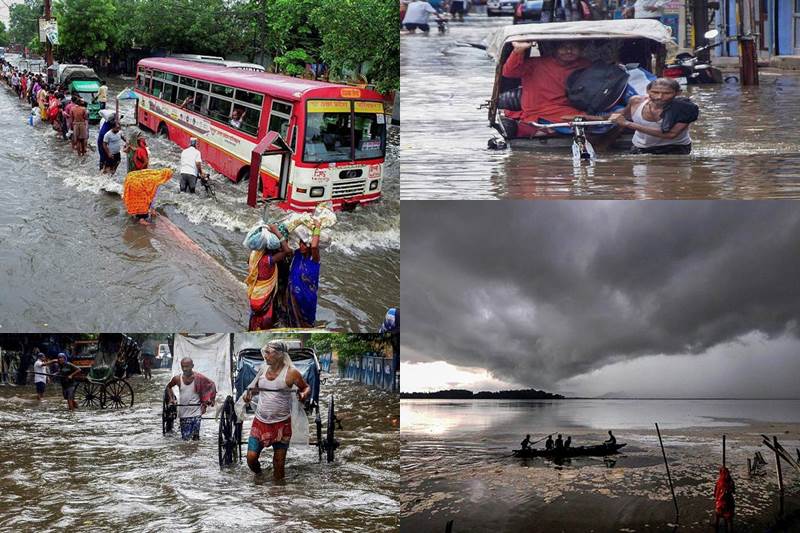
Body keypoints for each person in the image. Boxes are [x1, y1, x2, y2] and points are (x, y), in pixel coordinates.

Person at [243, 341, 311, 480]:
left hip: (282, 424)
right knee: (251, 458)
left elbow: (306, 387)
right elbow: (255, 389)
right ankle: (260, 476)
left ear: (280, 355)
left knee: (279, 465)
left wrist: (303, 395)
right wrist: (249, 394)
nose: (265, 356)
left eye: (268, 353)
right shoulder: (262, 370)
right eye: (265, 352)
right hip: (260, 422)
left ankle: (279, 495)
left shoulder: (291, 373)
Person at [501, 40, 592, 135]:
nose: (569, 51)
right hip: (540, 112)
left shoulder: (585, 65)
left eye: (574, 47)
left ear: (581, 49)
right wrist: (518, 50)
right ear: (555, 49)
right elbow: (508, 72)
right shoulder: (536, 63)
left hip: (572, 109)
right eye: (563, 47)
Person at [609, 78, 695, 155]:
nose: (659, 97)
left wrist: (628, 124)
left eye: (667, 93)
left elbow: (671, 134)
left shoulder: (686, 108)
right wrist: (598, 118)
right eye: (655, 92)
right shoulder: (636, 101)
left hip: (675, 148)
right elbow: (622, 116)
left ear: (678, 93)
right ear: (648, 91)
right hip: (640, 148)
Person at [246, 225, 293, 330]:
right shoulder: (269, 260)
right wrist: (277, 232)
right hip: (268, 295)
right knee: (268, 318)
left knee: (257, 317)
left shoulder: (254, 256)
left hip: (256, 294)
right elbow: (287, 251)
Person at [165, 357, 217, 441]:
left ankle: (195, 453)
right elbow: (168, 387)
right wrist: (171, 399)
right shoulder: (177, 379)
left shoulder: (199, 377)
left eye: (187, 366)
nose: (185, 369)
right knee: (186, 439)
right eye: (183, 367)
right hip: (184, 413)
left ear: (192, 366)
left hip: (196, 412)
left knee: (195, 438)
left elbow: (211, 384)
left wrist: (212, 399)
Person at [286, 220, 322, 328]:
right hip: (293, 297)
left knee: (307, 324)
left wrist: (317, 227)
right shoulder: (297, 254)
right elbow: (288, 247)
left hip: (307, 301)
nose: (302, 246)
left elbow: (315, 246)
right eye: (301, 243)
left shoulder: (314, 259)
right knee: (291, 321)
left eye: (305, 244)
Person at [714, 466, 735, 530]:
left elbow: (715, 493)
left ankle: (716, 527)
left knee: (717, 515)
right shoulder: (731, 482)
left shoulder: (719, 482)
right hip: (729, 503)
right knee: (729, 521)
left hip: (720, 503)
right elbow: (734, 491)